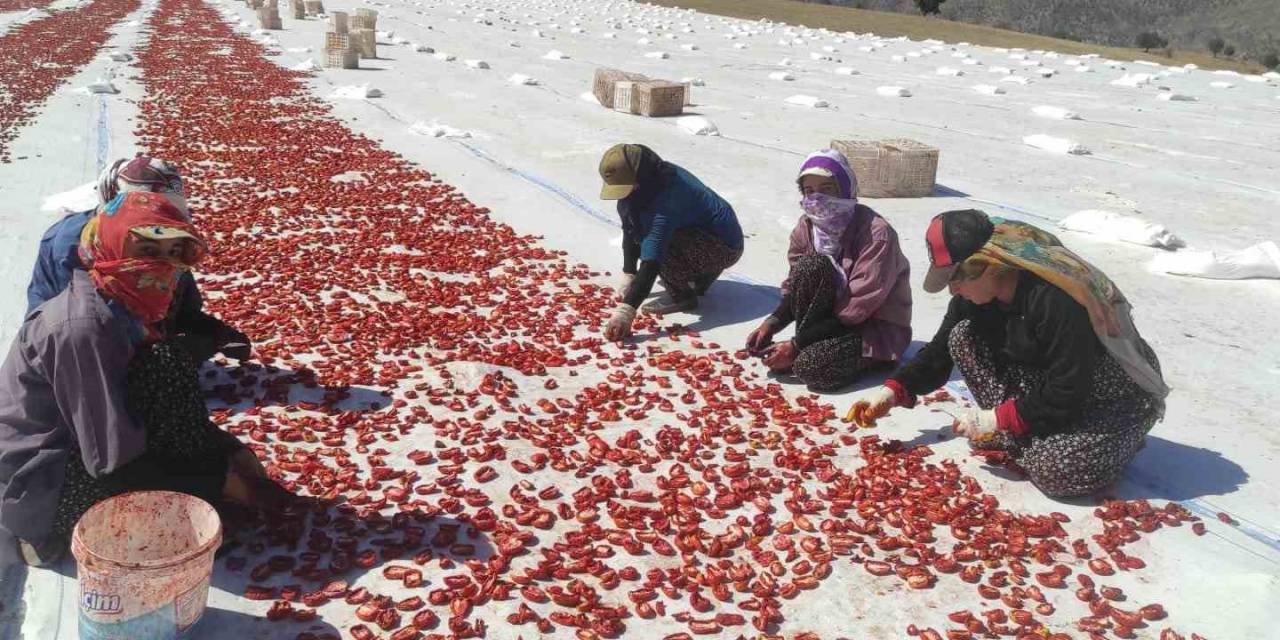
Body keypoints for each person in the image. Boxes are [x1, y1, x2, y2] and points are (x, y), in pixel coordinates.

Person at [0, 192, 292, 567]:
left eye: (176, 253)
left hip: (88, 445)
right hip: (41, 481)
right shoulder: (83, 330)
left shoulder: (126, 301)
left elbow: (157, 396)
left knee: (167, 361)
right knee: (164, 495)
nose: (163, 267)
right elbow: (114, 464)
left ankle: (195, 482)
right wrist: (218, 481)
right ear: (107, 247)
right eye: (146, 249)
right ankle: (47, 533)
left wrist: (226, 449)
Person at [846, 209, 1169, 498]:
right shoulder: (973, 300)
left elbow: (1068, 389)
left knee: (1056, 472)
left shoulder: (1054, 301)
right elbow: (940, 350)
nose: (952, 290)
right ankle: (1033, 432)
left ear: (988, 268)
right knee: (962, 336)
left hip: (1107, 394)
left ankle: (1118, 439)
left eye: (955, 279)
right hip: (1053, 385)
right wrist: (893, 391)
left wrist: (997, 418)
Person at [26, 155, 250, 361]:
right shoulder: (69, 248)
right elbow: (80, 337)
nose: (162, 228)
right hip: (69, 362)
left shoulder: (167, 239)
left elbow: (179, 304)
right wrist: (167, 353)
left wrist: (210, 330)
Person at [744, 150, 912, 392]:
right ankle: (809, 346)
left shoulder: (876, 234)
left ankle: (871, 359)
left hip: (872, 327)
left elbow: (857, 308)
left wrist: (797, 343)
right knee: (810, 266)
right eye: (809, 191)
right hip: (827, 322)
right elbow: (797, 284)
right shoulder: (807, 226)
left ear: (846, 188)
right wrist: (772, 323)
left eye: (827, 188)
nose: (817, 199)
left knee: (812, 368)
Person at [598, 144, 744, 340]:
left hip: (724, 245)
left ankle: (684, 296)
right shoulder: (651, 178)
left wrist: (625, 312)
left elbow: (652, 261)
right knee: (644, 231)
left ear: (639, 177)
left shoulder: (666, 199)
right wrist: (629, 273)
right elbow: (630, 226)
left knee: (658, 245)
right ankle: (699, 277)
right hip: (705, 233)